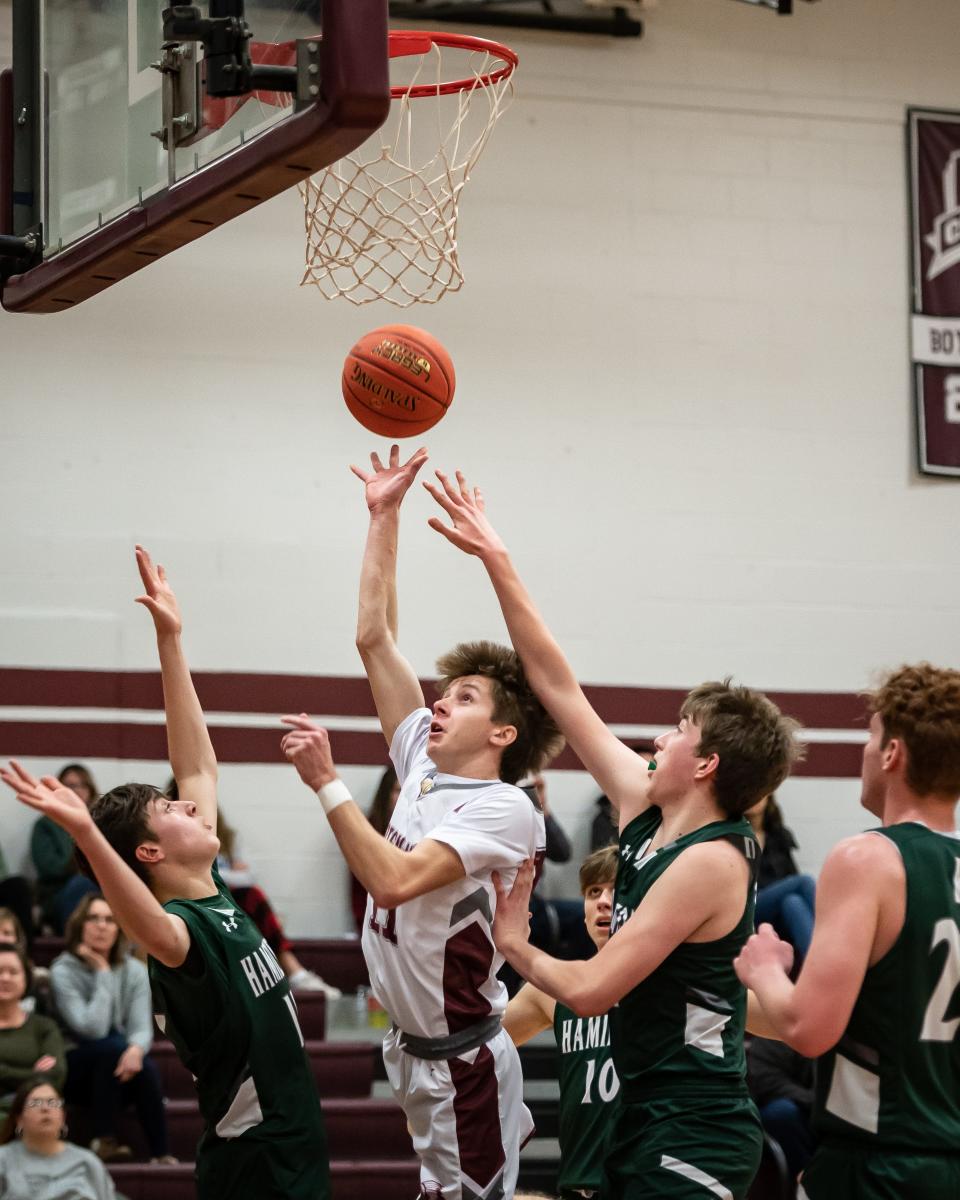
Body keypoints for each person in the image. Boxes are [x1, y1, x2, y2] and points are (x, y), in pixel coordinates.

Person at [423, 466, 801, 1200]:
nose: (659, 737)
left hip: (695, 1126)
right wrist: (497, 560)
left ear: (707, 764)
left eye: (680, 730)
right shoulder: (644, 803)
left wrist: (514, 943)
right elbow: (558, 688)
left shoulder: (713, 861)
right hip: (643, 1116)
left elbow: (593, 988)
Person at [1, 546, 329, 1200]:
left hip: (296, 1138)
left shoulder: (215, 895)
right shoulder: (179, 933)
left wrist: (171, 639)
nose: (187, 801)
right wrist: (89, 834)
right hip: (253, 1159)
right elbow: (140, 921)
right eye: (168, 809)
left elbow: (199, 767)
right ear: (149, 853)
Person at [280, 445, 562, 1200]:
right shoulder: (423, 762)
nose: (439, 702)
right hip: (412, 1050)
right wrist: (383, 515)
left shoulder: (505, 809)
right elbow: (375, 639)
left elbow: (394, 880)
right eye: (445, 692)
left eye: (464, 697)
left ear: (504, 734)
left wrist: (328, 785)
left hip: (459, 1060)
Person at [735, 662, 960, 1200]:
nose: (864, 751)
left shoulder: (868, 857)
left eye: (870, 735)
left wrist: (766, 971)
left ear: (892, 754)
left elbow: (809, 1028)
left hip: (879, 1160)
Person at [504, 845, 620, 1200]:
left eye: (616, 890)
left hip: (648, 1180)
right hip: (578, 1183)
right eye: (592, 892)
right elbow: (475, 1050)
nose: (602, 901)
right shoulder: (553, 991)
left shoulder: (672, 985)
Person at [168, 780, 340, 997]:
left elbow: (248, 877)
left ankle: (292, 971)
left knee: (252, 896)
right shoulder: (169, 843)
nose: (191, 811)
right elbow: (191, 877)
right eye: (174, 806)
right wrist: (227, 872)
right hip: (191, 905)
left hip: (223, 900)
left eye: (195, 805)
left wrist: (220, 874)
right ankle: (283, 971)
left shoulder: (226, 836)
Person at [51, 892, 173, 1163]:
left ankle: (161, 1153)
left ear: (119, 929)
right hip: (75, 1068)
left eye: (109, 919)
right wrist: (102, 972)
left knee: (143, 1066)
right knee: (111, 1047)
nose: (101, 925)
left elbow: (142, 1028)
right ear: (80, 925)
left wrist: (136, 1051)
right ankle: (103, 1139)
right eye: (93, 918)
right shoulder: (62, 971)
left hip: (115, 1069)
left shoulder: (135, 971)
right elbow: (91, 1029)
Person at [0, 1078, 117, 1200]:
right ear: (19, 1119)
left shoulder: (87, 1162)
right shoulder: (3, 1160)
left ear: (63, 1117)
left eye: (52, 1103)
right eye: (35, 1103)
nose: (45, 1109)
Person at [745, 794, 816, 963]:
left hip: (777, 908)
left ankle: (818, 967)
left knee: (792, 902)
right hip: (748, 907)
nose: (755, 797)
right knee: (804, 881)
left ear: (768, 795)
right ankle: (833, 938)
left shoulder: (778, 835)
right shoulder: (734, 836)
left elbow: (791, 874)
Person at [31, 764, 100, 933]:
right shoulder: (46, 825)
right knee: (83, 882)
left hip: (100, 887)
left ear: (90, 790)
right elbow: (50, 868)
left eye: (82, 785)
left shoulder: (102, 821)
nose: (76, 791)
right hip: (58, 893)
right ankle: (76, 941)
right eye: (69, 786)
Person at [0, 945, 66, 1119]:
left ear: (26, 979)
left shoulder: (44, 1027)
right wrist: (33, 1075)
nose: (5, 978)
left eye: (13, 972)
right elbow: (40, 1080)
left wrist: (4, 1072)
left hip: (30, 1114)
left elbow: (56, 1075)